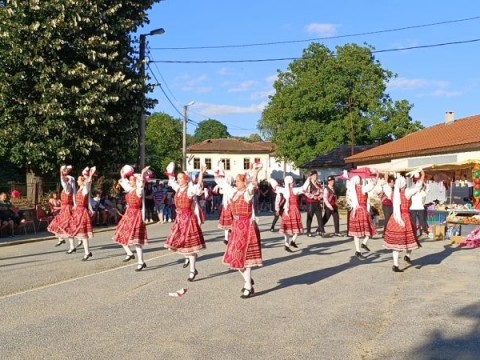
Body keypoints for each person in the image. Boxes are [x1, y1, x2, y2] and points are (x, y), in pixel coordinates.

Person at [216, 162, 262, 299]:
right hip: (236, 227)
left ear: (243, 182)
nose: (235, 182)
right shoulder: (233, 192)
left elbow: (252, 186)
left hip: (247, 227)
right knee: (234, 258)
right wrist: (220, 170)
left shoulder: (247, 194)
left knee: (244, 258)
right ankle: (248, 281)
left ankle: (248, 285)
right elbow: (222, 182)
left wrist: (256, 172)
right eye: (235, 180)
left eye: (238, 181)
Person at [164, 162, 206, 281]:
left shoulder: (189, 189)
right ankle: (190, 261)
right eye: (178, 178)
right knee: (177, 242)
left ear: (186, 179)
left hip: (188, 219)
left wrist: (201, 174)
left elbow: (198, 188)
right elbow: (171, 181)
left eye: (180, 178)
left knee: (190, 246)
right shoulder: (178, 189)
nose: (178, 180)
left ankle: (192, 270)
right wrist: (170, 172)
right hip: (179, 219)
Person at [384, 171, 425, 272]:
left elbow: (386, 187)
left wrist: (386, 176)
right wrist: (422, 174)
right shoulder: (407, 192)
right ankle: (407, 255)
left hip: (395, 218)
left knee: (396, 242)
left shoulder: (393, 194)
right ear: (403, 185)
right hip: (405, 218)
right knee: (409, 239)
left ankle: (395, 264)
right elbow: (419, 186)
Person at [113, 165, 150, 271]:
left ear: (135, 181)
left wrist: (142, 174)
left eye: (131, 180)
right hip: (128, 214)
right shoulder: (129, 189)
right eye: (129, 180)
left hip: (136, 215)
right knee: (120, 235)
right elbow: (122, 180)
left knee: (137, 241)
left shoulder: (138, 191)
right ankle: (129, 253)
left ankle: (140, 262)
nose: (129, 181)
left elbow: (141, 185)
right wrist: (122, 173)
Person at [62, 166, 96, 261]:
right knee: (74, 229)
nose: (77, 182)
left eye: (78, 180)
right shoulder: (79, 190)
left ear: (82, 181)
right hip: (78, 212)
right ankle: (84, 250)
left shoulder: (84, 190)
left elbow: (88, 184)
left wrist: (90, 175)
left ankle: (86, 252)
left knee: (84, 234)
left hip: (82, 213)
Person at [346, 174, 377, 259]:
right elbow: (370, 188)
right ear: (358, 181)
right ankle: (363, 244)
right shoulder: (361, 188)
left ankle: (358, 250)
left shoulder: (351, 190)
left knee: (356, 233)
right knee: (369, 228)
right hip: (362, 210)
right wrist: (374, 181)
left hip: (354, 211)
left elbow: (348, 201)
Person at [271, 176, 304, 252]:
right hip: (285, 211)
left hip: (293, 210)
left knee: (295, 228)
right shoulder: (283, 190)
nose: (293, 183)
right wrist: (277, 209)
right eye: (293, 182)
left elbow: (303, 190)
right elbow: (277, 200)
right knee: (287, 229)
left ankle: (291, 242)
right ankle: (287, 244)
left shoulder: (293, 190)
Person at [47, 166, 76, 248]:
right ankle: (61, 239)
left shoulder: (67, 188)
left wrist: (61, 171)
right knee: (60, 224)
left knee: (66, 226)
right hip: (65, 209)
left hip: (66, 209)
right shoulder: (69, 189)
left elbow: (62, 179)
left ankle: (72, 245)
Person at [302, 170, 325, 237]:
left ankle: (321, 231)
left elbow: (322, 191)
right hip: (310, 203)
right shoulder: (308, 184)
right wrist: (313, 196)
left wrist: (320, 197)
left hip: (317, 202)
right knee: (310, 217)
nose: (315, 176)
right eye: (314, 175)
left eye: (316, 175)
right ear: (311, 176)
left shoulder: (318, 183)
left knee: (320, 217)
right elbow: (305, 192)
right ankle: (308, 231)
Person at [215, 176, 234, 245]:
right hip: (231, 207)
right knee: (231, 223)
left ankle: (226, 238)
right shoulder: (231, 189)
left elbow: (220, 191)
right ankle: (229, 237)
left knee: (227, 224)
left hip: (226, 207)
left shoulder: (226, 188)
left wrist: (220, 185)